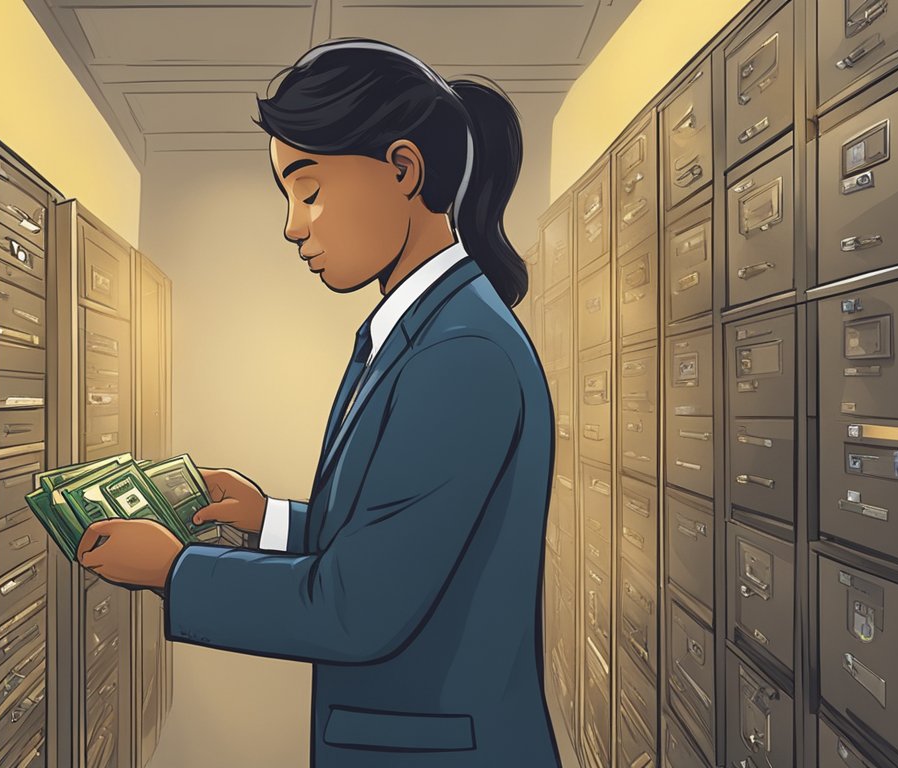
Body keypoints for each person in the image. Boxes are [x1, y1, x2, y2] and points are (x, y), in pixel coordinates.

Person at [75, 38, 560, 767]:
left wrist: (175, 571)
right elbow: (394, 536)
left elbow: (356, 609)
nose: (294, 226)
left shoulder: (463, 354)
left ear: (403, 169)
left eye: (310, 190)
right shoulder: (418, 331)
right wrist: (266, 518)